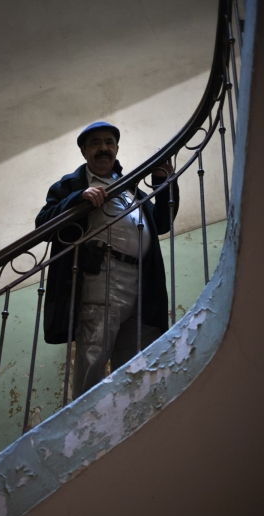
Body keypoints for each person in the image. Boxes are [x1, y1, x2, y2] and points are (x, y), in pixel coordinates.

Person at [35, 121, 179, 398]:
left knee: (138, 356)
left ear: (116, 148)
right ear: (84, 151)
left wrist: (162, 180)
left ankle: (133, 419)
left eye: (109, 142)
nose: (104, 148)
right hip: (102, 277)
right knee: (94, 355)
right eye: (96, 143)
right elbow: (43, 225)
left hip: (142, 280)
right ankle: (81, 424)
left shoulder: (129, 187)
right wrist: (78, 199)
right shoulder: (71, 185)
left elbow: (161, 223)